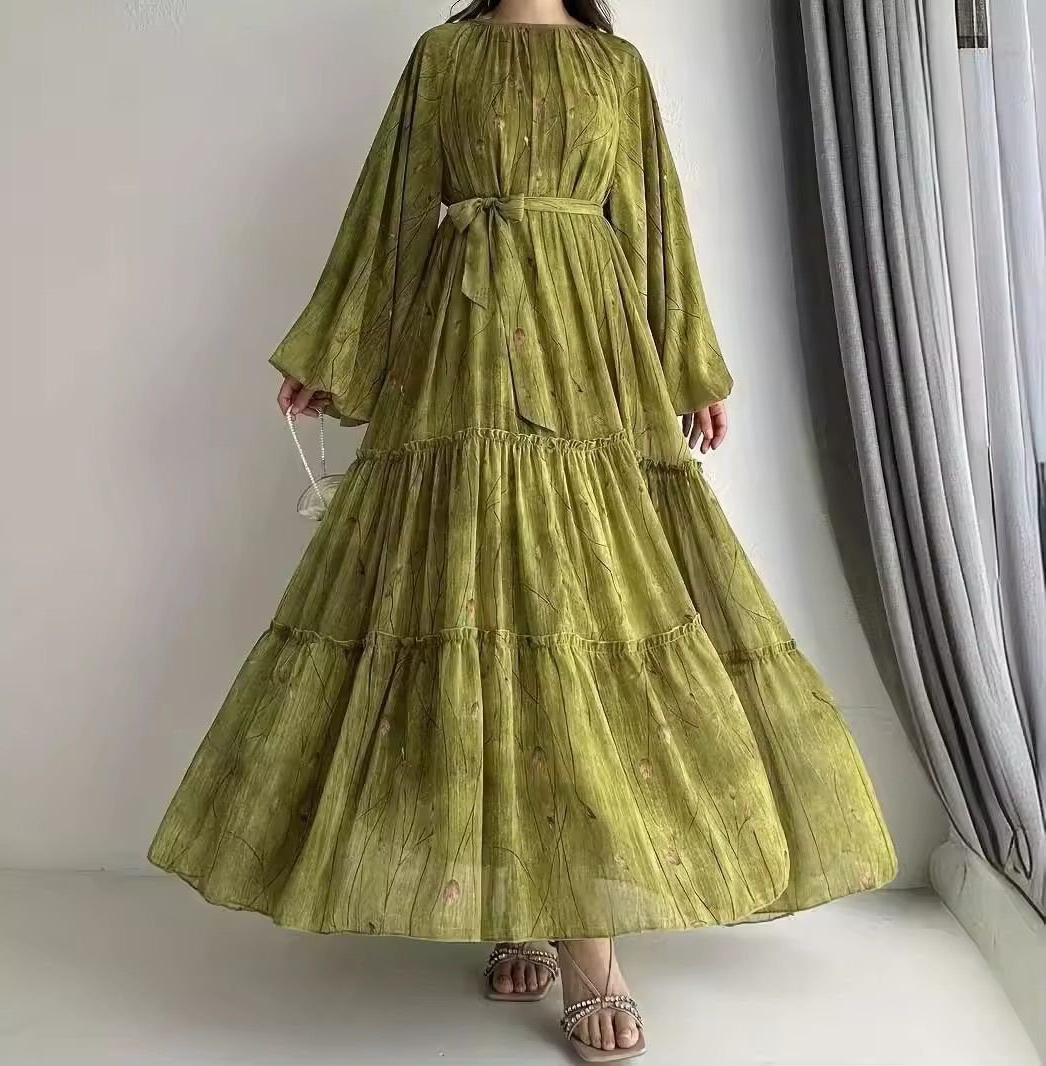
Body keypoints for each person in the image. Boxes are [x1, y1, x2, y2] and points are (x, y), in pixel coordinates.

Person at [149, 0, 898, 1059]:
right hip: (459, 351)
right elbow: (391, 212)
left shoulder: (614, 66)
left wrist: (688, 364)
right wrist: (333, 352)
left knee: (581, 611)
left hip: (589, 351)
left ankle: (588, 946)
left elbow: (655, 220)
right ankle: (521, 898)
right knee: (478, 600)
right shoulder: (441, 56)